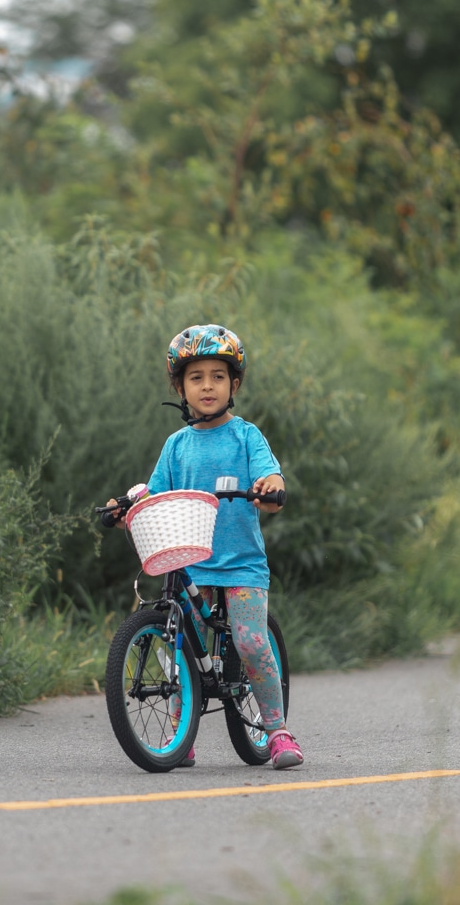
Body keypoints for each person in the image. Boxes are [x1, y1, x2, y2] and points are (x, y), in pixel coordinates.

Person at [111, 323, 303, 770]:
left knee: (251, 641)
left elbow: (269, 475)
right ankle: (183, 733)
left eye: (218, 376)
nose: (208, 386)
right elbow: (153, 494)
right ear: (180, 387)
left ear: (234, 384)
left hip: (240, 564)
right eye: (196, 378)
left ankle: (276, 732)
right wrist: (125, 504)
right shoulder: (176, 446)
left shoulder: (246, 436)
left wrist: (270, 486)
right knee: (176, 646)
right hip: (189, 561)